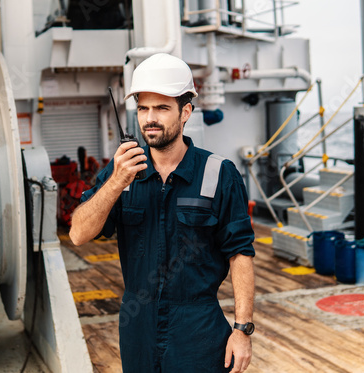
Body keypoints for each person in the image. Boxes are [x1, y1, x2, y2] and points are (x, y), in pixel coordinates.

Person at [69, 53, 255, 373]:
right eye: (143, 108)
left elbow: (241, 254)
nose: (150, 118)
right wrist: (115, 182)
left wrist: (242, 330)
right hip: (137, 327)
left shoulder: (219, 174)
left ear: (185, 113)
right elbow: (78, 234)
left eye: (161, 108)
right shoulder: (121, 172)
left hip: (198, 327)